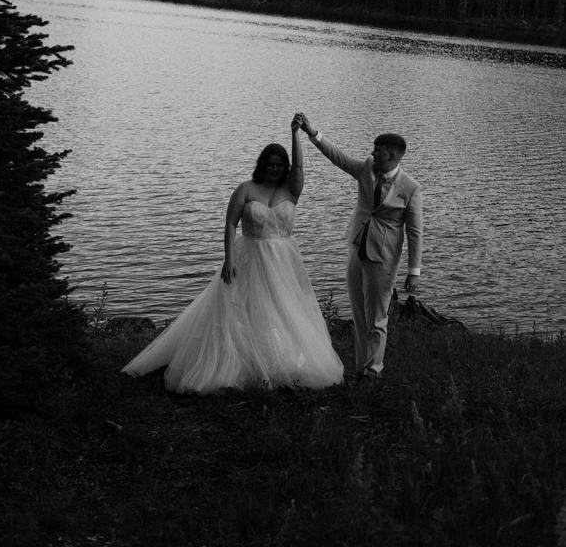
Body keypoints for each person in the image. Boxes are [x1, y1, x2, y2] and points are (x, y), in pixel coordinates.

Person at [121, 121, 344, 393]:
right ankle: (246, 362)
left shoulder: (291, 190)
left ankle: (283, 361)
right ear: (262, 165)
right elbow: (230, 224)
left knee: (286, 309)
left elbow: (299, 167)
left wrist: (295, 134)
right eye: (270, 164)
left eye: (279, 164)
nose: (275, 168)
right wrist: (229, 259)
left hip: (284, 260)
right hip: (250, 256)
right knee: (248, 309)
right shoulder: (246, 189)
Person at [293, 112, 423, 381]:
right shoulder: (365, 168)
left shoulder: (411, 188)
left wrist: (414, 271)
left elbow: (415, 232)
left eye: (379, 153)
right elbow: (338, 157)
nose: (373, 156)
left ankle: (373, 372)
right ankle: (361, 367)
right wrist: (312, 132)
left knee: (377, 318)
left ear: (394, 157)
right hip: (357, 249)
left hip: (383, 259)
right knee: (358, 314)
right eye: (373, 151)